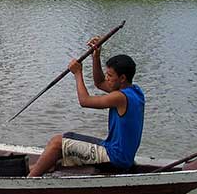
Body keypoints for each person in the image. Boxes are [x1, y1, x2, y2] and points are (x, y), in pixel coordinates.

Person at [27, 37, 145, 177]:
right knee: (66, 138)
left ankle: (28, 181)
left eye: (110, 75)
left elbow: (84, 101)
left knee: (57, 143)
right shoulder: (136, 92)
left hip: (115, 157)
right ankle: (33, 170)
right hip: (117, 151)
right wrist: (96, 57)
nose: (107, 78)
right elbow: (100, 82)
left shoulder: (119, 97)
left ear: (123, 78)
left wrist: (78, 73)